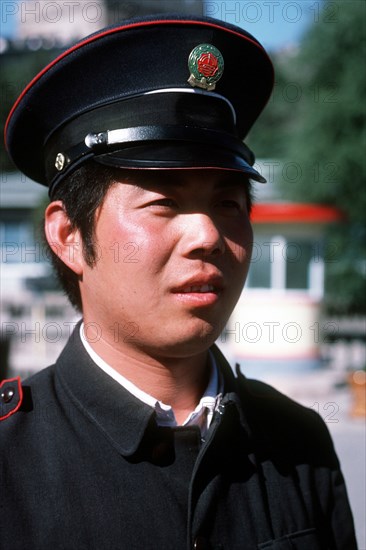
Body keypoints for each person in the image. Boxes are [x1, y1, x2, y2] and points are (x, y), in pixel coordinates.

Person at [0, 14, 357, 550]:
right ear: (69, 234)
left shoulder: (297, 443)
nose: (207, 234)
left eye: (228, 204)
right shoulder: (10, 459)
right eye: (163, 203)